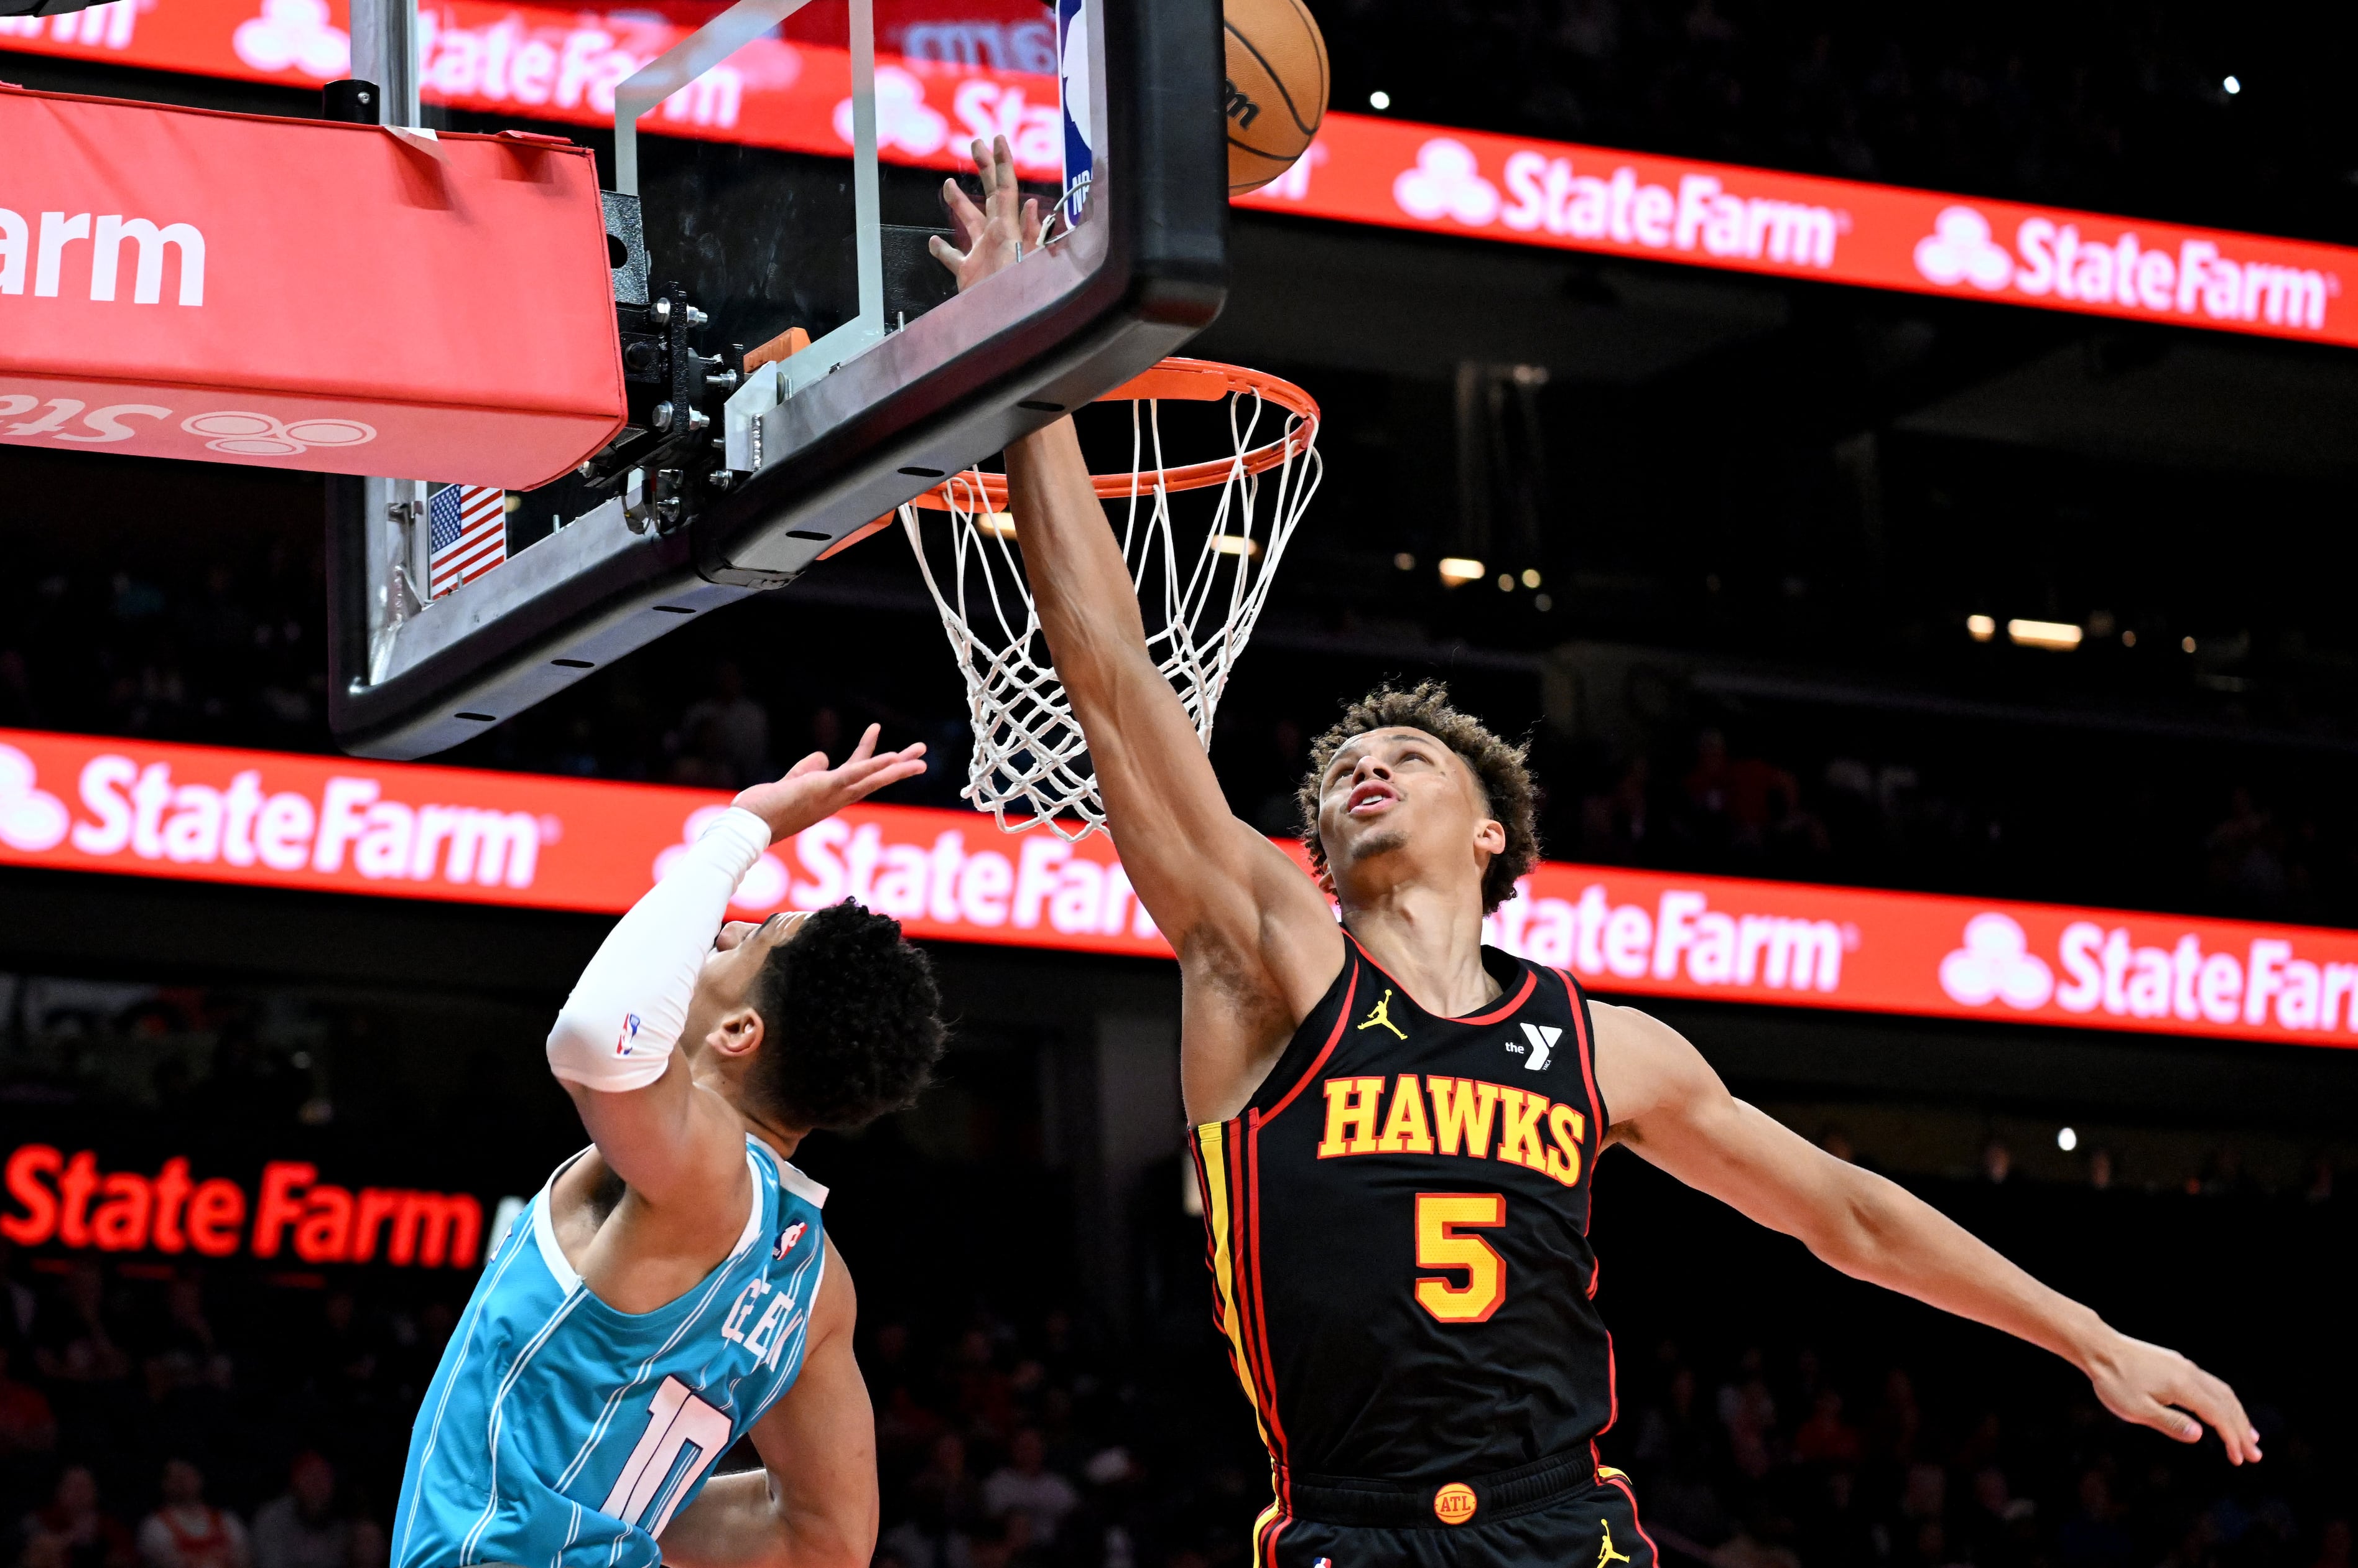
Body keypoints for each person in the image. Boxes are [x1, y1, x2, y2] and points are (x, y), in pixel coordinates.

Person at [933, 134, 2262, 1568]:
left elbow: (1848, 1215)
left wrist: (2088, 1336)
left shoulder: (1603, 1046)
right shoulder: (1265, 957)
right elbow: (1119, 682)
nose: (1365, 765)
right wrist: (1037, 379)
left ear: (1491, 829)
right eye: (1341, 771)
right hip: (1350, 1534)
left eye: (1409, 758)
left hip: (1564, 1534)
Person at [391, 728, 947, 1568]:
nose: (722, 932)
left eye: (751, 940)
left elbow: (594, 1038)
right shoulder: (817, 1282)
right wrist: (607, 1520)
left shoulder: (704, 1168)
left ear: (738, 1031)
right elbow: (822, 1540)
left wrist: (738, 832)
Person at [137, 1460, 249, 1568]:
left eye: (186, 1474)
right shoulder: (154, 1526)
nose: (182, 1481)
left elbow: (244, 1561)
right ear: (164, 1484)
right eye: (174, 1477)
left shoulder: (227, 1520)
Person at [250, 1452, 345, 1568]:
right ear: (296, 1481)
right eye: (311, 1478)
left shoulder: (341, 1522)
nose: (318, 1486)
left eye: (324, 1478)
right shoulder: (272, 1518)